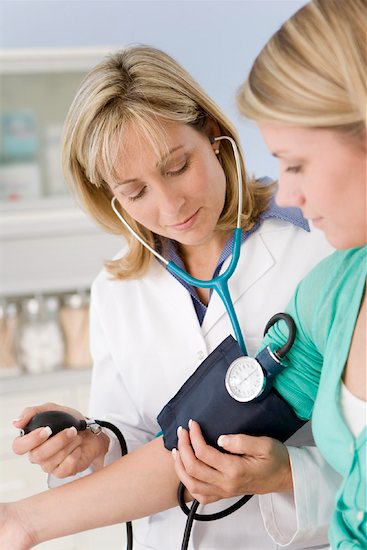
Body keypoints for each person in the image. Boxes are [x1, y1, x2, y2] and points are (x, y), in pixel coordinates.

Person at [1, 43, 337, 549]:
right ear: (112, 199)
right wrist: (93, 443)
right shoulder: (117, 291)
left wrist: (289, 473)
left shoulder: (319, 248)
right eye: (135, 193)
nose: (169, 204)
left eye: (178, 166)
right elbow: (134, 438)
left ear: (212, 135)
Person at [172, 0, 367, 548]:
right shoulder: (337, 289)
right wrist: (25, 520)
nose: (287, 193)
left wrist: (287, 474)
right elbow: (209, 439)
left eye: (297, 163)